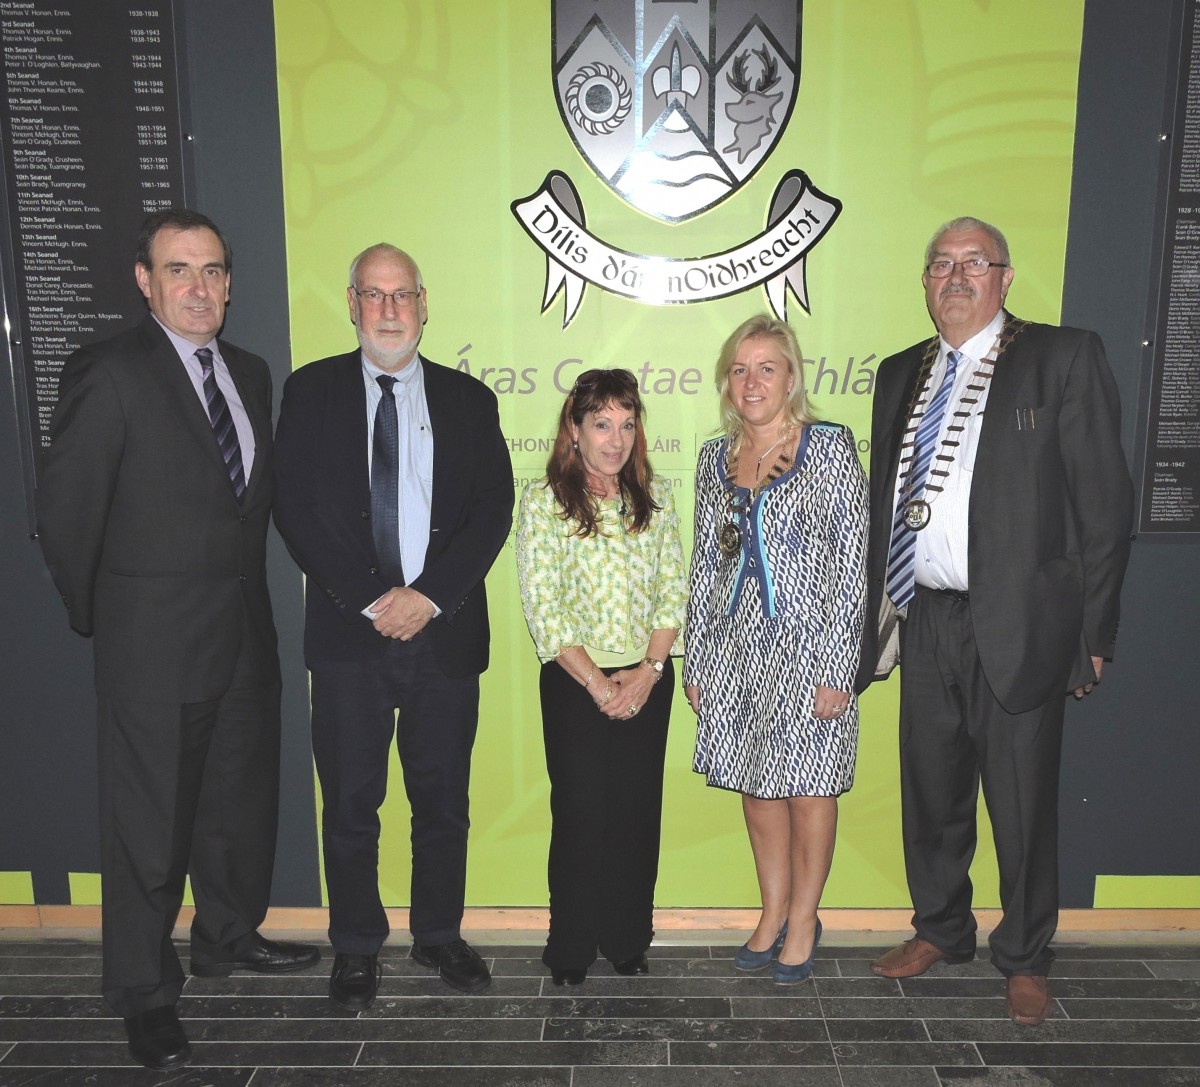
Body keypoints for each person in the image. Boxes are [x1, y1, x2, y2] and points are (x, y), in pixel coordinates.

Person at [36, 209, 319, 1071]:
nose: (199, 287)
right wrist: (104, 616)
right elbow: (67, 512)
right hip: (151, 646)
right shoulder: (110, 372)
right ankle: (143, 991)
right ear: (144, 280)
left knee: (235, 805)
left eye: (212, 270)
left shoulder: (252, 372)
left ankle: (228, 936)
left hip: (241, 635)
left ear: (231, 283)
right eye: (179, 269)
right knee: (147, 831)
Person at [857, 216, 1134, 1026]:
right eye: (940, 263)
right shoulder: (900, 373)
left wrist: (1095, 633)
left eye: (973, 262)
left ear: (1006, 277)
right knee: (932, 792)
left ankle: (1025, 954)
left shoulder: (1062, 357)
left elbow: (1105, 511)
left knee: (1021, 804)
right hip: (926, 616)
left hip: (1021, 625)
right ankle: (941, 928)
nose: (955, 276)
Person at [273, 243, 513, 1009]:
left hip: (443, 637)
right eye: (373, 295)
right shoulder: (309, 393)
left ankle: (438, 932)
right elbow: (295, 510)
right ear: (350, 303)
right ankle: (355, 943)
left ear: (423, 302)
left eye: (400, 294)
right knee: (349, 803)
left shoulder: (470, 400)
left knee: (443, 803)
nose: (388, 310)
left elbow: (491, 511)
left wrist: (429, 596)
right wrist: (374, 598)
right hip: (350, 638)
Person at [684, 315, 868, 985]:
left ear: (791, 376)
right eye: (740, 368)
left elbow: (853, 565)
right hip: (734, 651)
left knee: (810, 787)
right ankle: (770, 911)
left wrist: (837, 666)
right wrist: (699, 661)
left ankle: (805, 916)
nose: (752, 380)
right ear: (726, 382)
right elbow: (706, 565)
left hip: (812, 648)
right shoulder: (712, 459)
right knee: (759, 785)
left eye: (767, 367)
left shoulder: (829, 447)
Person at [515, 368, 686, 986]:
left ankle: (626, 940)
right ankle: (571, 949)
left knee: (637, 816)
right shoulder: (543, 502)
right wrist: (598, 684)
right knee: (582, 816)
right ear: (575, 430)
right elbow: (545, 607)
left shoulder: (658, 497)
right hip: (573, 685)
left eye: (627, 423)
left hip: (648, 680)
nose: (615, 439)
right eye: (602, 423)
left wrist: (649, 671)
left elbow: (673, 592)